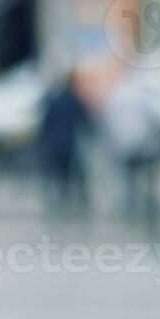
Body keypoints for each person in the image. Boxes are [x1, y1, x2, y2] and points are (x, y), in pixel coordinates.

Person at [103, 72, 160, 230]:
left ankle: (130, 212)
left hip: (124, 144)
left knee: (128, 180)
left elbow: (110, 122)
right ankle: (148, 210)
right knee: (146, 180)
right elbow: (153, 120)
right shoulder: (144, 98)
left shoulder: (116, 97)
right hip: (143, 145)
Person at [36, 69, 91, 220]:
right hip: (69, 144)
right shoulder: (74, 100)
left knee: (55, 175)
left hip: (53, 144)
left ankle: (56, 205)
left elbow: (45, 124)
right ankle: (74, 204)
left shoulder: (54, 100)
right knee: (72, 176)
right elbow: (86, 123)